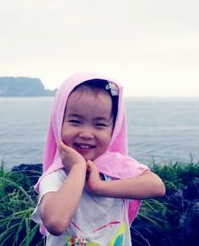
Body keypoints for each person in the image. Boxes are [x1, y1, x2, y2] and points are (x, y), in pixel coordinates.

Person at [31, 72, 166, 246]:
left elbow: (157, 186)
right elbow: (56, 222)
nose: (87, 134)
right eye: (75, 121)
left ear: (114, 129)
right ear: (59, 122)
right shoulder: (56, 176)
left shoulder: (117, 166)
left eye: (100, 124)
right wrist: (78, 169)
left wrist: (100, 187)